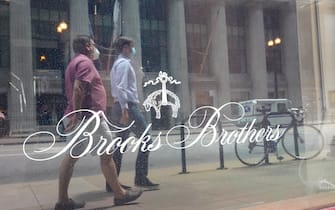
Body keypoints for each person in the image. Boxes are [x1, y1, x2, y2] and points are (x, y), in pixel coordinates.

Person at [55, 35, 142, 210]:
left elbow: (77, 89)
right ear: (87, 46)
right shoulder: (85, 63)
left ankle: (63, 200)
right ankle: (120, 194)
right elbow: (80, 88)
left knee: (72, 157)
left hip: (83, 117)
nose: (95, 48)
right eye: (93, 44)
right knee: (107, 152)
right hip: (90, 117)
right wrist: (78, 115)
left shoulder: (74, 63)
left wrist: (75, 115)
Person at [106, 36, 159, 192]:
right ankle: (140, 177)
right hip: (127, 107)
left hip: (121, 105)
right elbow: (122, 87)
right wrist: (125, 109)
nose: (133, 50)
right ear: (125, 48)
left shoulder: (117, 64)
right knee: (146, 139)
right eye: (131, 47)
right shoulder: (123, 64)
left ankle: (112, 182)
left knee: (121, 144)